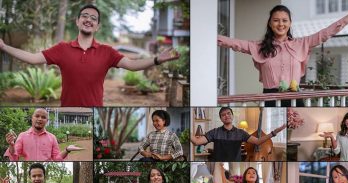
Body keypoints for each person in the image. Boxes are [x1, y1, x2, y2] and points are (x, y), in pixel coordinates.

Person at [0, 4, 180, 107]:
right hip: (67, 111)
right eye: (84, 16)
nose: (88, 19)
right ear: (77, 21)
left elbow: (132, 64)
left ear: (97, 26)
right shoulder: (62, 49)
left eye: (93, 18)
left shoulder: (107, 52)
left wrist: (157, 59)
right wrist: (4, 46)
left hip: (95, 111)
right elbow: (32, 58)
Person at [217, 4, 348, 107]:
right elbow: (234, 43)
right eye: (276, 20)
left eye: (284, 20)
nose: (280, 24)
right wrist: (211, 37)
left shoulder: (303, 43)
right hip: (270, 99)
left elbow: (327, 32)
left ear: (290, 23)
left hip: (295, 99)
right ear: (270, 23)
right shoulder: (259, 46)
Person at [190, 107, 286, 161]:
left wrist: (274, 132)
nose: (226, 116)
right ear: (221, 119)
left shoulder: (241, 133)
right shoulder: (214, 132)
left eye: (228, 113)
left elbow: (257, 141)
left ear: (232, 116)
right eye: (223, 115)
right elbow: (196, 142)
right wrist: (187, 131)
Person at [4, 108, 83, 161]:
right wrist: (11, 145)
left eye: (43, 117)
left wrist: (67, 150)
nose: (40, 119)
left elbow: (56, 158)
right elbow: (14, 158)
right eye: (37, 116)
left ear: (47, 120)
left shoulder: (52, 138)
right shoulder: (22, 136)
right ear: (32, 118)